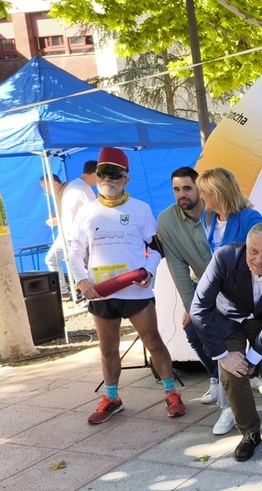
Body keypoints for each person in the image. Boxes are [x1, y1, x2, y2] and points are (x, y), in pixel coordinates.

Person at [68, 147, 185, 424]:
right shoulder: (86, 211)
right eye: (102, 174)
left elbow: (156, 248)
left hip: (135, 289)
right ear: (95, 177)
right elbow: (74, 252)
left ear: (126, 179)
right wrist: (82, 281)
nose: (107, 179)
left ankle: (171, 392)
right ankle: (112, 398)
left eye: (114, 174)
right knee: (108, 349)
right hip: (101, 292)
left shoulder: (141, 209)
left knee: (153, 342)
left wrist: (148, 270)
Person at [191, 222, 262, 462]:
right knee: (232, 374)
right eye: (253, 251)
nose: (258, 260)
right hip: (227, 319)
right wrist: (223, 356)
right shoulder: (225, 257)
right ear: (246, 246)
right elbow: (199, 308)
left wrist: (253, 358)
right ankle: (250, 432)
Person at [198, 167, 262, 415]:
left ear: (218, 193)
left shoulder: (249, 218)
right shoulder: (209, 219)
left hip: (256, 291)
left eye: (204, 191)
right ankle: (231, 394)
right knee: (198, 328)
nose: (201, 196)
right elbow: (217, 260)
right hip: (229, 294)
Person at [156, 167, 230, 432]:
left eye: (187, 188)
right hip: (205, 287)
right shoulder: (167, 220)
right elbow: (177, 267)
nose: (181, 195)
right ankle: (216, 378)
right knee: (193, 329)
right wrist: (193, 308)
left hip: (233, 286)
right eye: (176, 189)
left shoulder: (216, 212)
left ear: (199, 189)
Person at [44, 162, 97, 295]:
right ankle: (78, 292)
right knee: (82, 267)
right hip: (75, 235)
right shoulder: (81, 188)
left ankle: (71, 292)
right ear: (95, 173)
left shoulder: (74, 186)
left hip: (71, 235)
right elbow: (94, 214)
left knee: (78, 265)